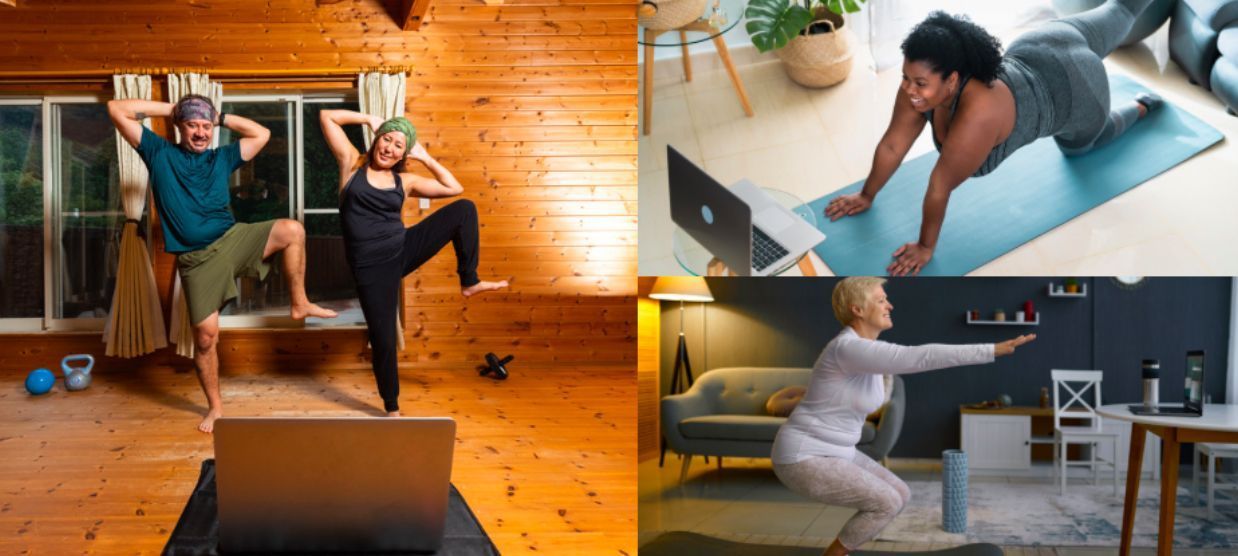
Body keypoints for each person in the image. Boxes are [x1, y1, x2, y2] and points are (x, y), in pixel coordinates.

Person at [824, 0, 1159, 276]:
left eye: (920, 83)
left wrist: (925, 247)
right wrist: (866, 195)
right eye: (906, 78)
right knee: (1121, 10)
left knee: (1084, 146)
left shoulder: (978, 113)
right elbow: (893, 145)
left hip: (1077, 90)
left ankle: (1141, 106)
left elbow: (939, 186)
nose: (909, 89)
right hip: (1042, 43)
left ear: (952, 80)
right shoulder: (920, 87)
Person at [108, 95, 339, 433]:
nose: (201, 132)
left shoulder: (221, 158)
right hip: (197, 260)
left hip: (232, 240)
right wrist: (172, 109)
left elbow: (260, 134)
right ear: (179, 127)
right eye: (192, 125)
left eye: (205, 126)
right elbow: (116, 108)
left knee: (292, 230)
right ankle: (216, 408)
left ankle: (299, 302)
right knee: (205, 337)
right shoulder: (159, 152)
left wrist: (220, 116)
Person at [771, 277, 1035, 555]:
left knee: (901, 494)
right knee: (886, 502)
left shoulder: (865, 354)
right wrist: (991, 349)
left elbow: (879, 394)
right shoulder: (847, 348)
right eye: (881, 300)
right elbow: (920, 357)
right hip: (804, 456)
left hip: (837, 451)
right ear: (857, 309)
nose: (890, 305)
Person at [318, 109, 508, 416]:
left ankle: (469, 280)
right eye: (387, 139)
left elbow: (453, 188)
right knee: (383, 338)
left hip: (402, 248)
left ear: (403, 154)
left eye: (398, 146)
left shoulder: (403, 181)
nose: (390, 148)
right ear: (377, 139)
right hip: (370, 268)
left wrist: (426, 159)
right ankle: (391, 407)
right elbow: (327, 117)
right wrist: (368, 118)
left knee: (464, 209)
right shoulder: (351, 164)